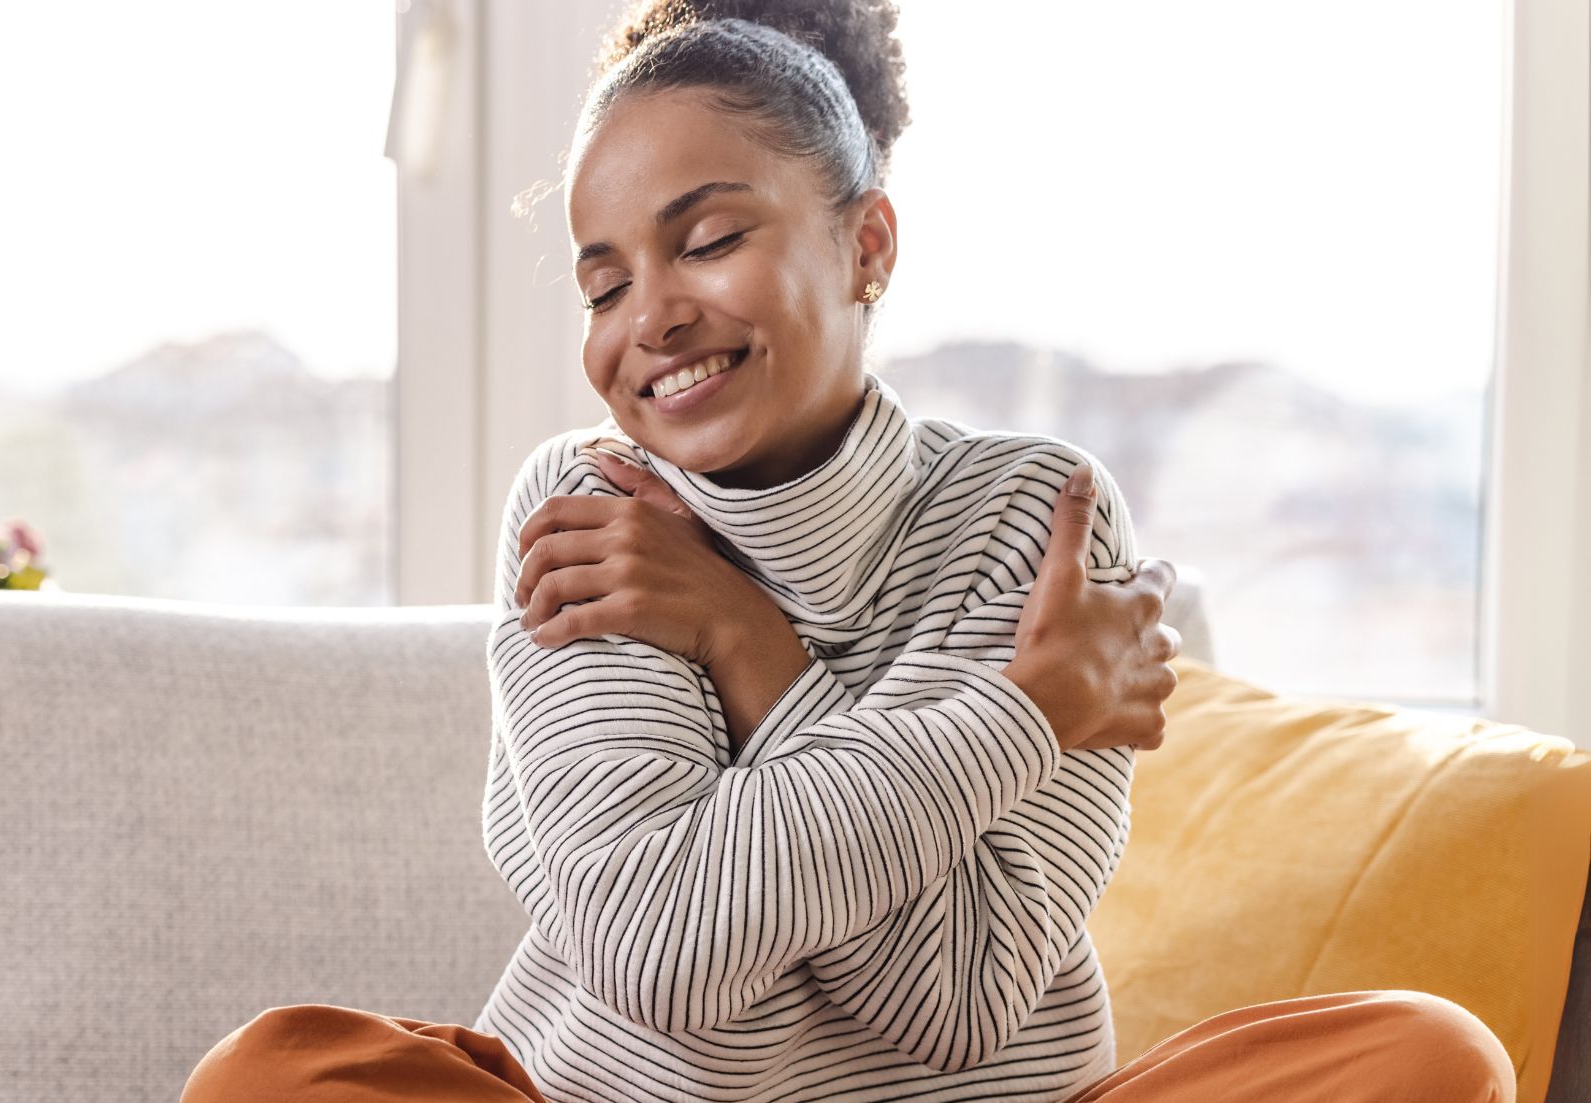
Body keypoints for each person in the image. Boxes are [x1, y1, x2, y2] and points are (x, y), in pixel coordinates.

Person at [181, 1, 1518, 1100]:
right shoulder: (587, 502)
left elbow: (960, 1005)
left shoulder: (1032, 515)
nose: (649, 317)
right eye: (603, 283)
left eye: (706, 240)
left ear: (866, 243)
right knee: (277, 1077)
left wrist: (748, 644)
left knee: (1424, 1054)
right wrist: (1024, 714)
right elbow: (661, 953)